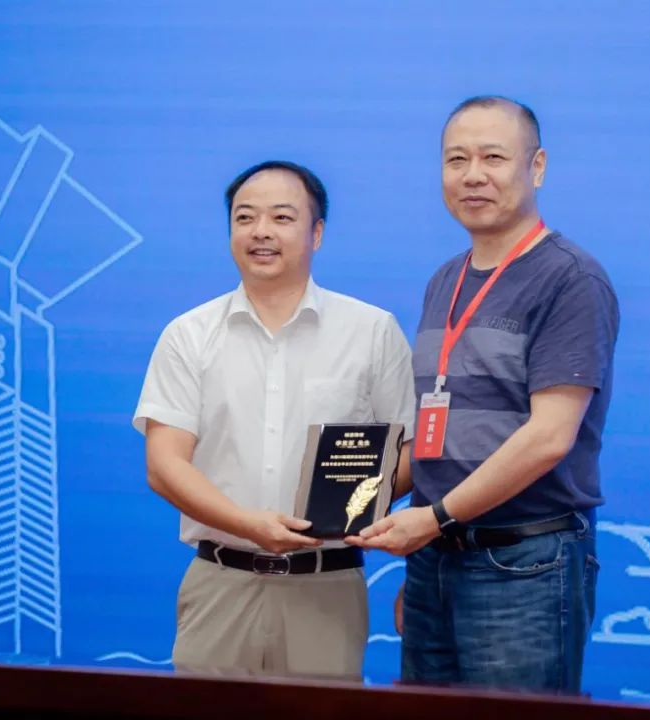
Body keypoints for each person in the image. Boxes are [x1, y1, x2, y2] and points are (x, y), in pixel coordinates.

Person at [348, 97, 619, 692]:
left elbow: (549, 438)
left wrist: (434, 519)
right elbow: (438, 435)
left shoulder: (570, 279)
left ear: (536, 167)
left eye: (493, 158)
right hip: (436, 560)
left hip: (524, 563)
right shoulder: (445, 279)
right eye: (456, 159)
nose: (473, 175)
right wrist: (347, 507)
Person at [134, 160, 415, 679]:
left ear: (317, 233)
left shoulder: (372, 331)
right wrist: (249, 525)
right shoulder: (188, 335)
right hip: (220, 580)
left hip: (327, 586)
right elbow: (164, 464)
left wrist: (351, 508)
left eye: (282, 217)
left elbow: (409, 453)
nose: (261, 231)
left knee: (322, 716)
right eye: (245, 218)